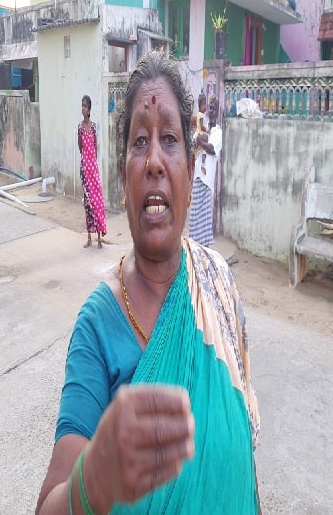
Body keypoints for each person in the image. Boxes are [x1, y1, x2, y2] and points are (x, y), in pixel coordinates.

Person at [36, 51, 260, 514]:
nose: (154, 160)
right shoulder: (97, 326)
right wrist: (95, 474)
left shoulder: (217, 285)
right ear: (123, 177)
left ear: (189, 165)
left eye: (170, 140)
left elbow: (242, 466)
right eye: (139, 142)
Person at [189, 96, 222, 247]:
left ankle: (204, 248)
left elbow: (211, 149)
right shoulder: (203, 126)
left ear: (218, 111)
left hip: (207, 179)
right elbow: (194, 142)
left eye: (214, 108)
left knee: (204, 217)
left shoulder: (217, 132)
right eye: (210, 108)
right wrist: (201, 140)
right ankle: (195, 247)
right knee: (194, 215)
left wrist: (202, 141)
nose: (211, 111)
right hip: (197, 175)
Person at [78, 95, 107, 248]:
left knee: (97, 202)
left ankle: (100, 238)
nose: (82, 109)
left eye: (85, 106)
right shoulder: (80, 128)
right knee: (87, 204)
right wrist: (85, 165)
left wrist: (92, 165)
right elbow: (80, 148)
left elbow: (94, 149)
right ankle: (89, 238)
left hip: (93, 170)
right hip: (84, 170)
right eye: (81, 106)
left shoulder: (94, 127)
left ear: (89, 109)